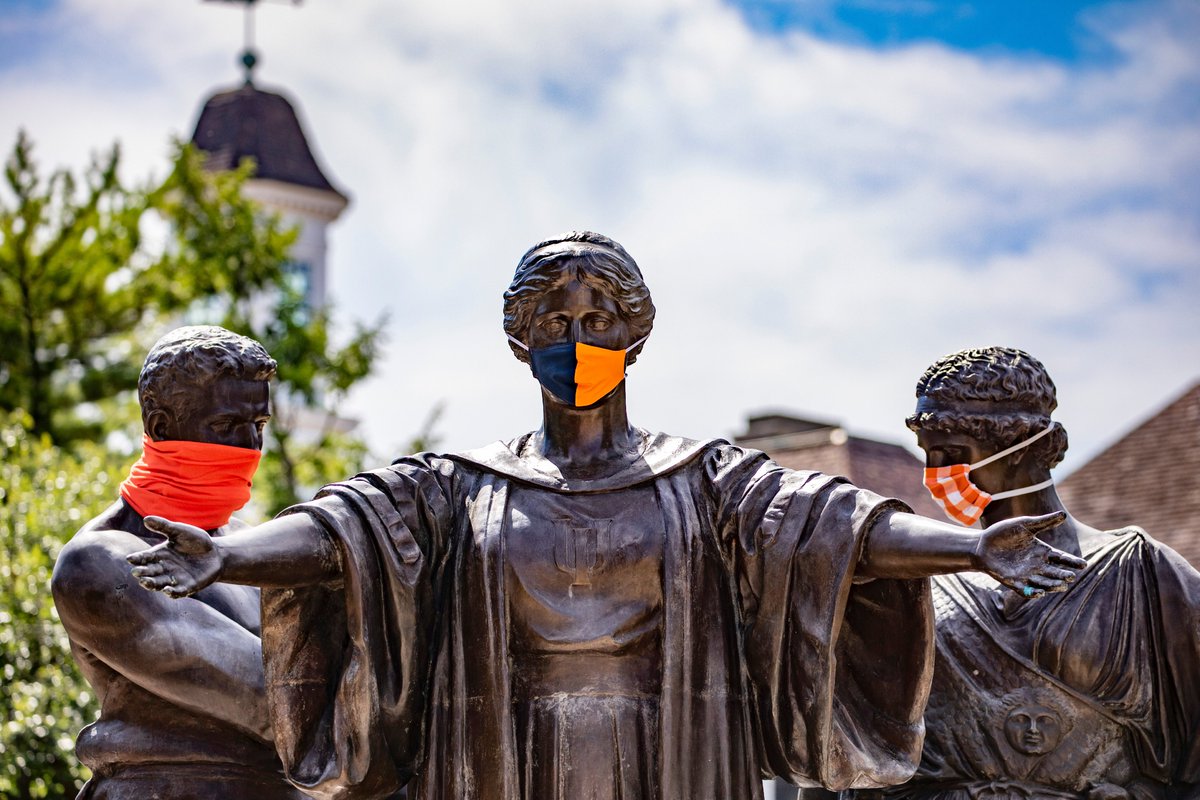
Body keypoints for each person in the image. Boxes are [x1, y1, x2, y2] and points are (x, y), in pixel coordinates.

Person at [127, 234, 1085, 800]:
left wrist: (968, 545)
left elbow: (834, 527)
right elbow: (347, 532)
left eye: (597, 322)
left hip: (671, 756)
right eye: (553, 324)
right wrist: (226, 557)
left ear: (635, 334)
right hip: (503, 757)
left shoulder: (704, 480)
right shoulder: (462, 485)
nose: (575, 341)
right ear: (520, 340)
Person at [860, 346, 1200, 800]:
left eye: (952, 453)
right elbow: (853, 748)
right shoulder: (922, 582)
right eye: (929, 454)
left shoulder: (1146, 575)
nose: (935, 474)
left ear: (1022, 448)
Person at [51, 326, 305, 800]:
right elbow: (280, 702)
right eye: (227, 426)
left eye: (259, 425)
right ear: (162, 425)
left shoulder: (250, 547)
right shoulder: (96, 564)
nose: (250, 446)